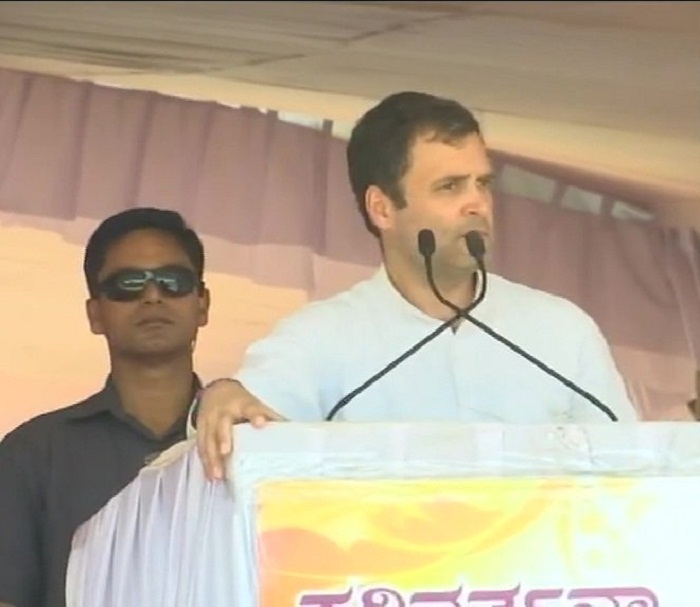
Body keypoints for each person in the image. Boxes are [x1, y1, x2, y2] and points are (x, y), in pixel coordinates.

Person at [192, 90, 639, 482]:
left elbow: (636, 470)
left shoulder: (562, 330)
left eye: (483, 184)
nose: (477, 204)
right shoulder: (320, 339)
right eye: (450, 187)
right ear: (382, 208)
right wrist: (219, 397)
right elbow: (240, 424)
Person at [0, 207, 210, 607]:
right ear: (95, 313)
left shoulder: (249, 446)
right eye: (128, 284)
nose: (152, 296)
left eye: (173, 281)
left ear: (203, 304)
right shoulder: (33, 453)